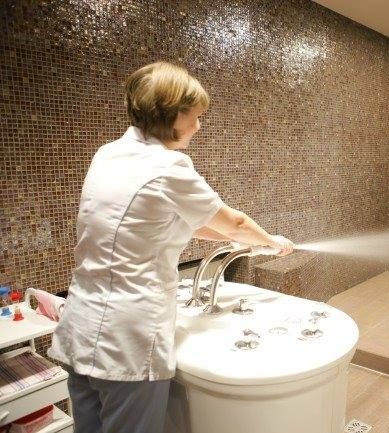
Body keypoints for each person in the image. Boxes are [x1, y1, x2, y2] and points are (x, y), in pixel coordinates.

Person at [48, 61, 294, 433]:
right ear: (173, 114)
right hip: (127, 340)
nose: (198, 125)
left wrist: (246, 242)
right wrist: (270, 241)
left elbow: (187, 224)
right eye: (195, 116)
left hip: (81, 327)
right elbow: (235, 222)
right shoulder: (167, 166)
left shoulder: (109, 154)